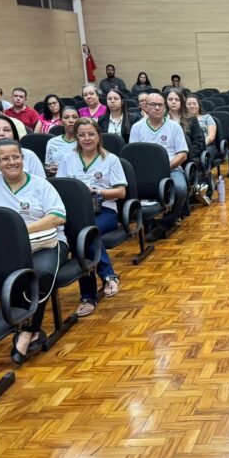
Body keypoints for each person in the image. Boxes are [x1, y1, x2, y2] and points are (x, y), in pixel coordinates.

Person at [0, 138, 66, 362]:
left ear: (22, 158)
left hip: (47, 242)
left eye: (16, 157)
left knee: (41, 275)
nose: (12, 162)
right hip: (9, 247)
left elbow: (58, 216)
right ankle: (21, 324)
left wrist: (23, 229)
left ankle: (28, 331)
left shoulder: (40, 184)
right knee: (5, 274)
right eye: (5, 159)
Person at [56, 119, 125, 316]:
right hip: (77, 214)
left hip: (105, 211)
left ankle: (88, 295)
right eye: (82, 135)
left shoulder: (110, 159)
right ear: (76, 137)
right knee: (82, 235)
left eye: (91, 134)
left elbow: (121, 192)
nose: (87, 138)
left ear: (98, 136)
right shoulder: (68, 159)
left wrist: (97, 190)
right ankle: (108, 276)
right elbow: (62, 188)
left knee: (83, 236)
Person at [129, 91, 189, 231]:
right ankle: (146, 221)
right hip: (145, 172)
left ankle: (167, 222)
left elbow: (182, 154)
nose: (157, 108)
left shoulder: (174, 127)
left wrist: (165, 168)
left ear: (164, 107)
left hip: (172, 168)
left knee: (180, 188)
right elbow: (134, 155)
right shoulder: (137, 127)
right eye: (153, 105)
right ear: (145, 107)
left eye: (160, 105)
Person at [45, 106, 80, 175]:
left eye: (75, 117)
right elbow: (47, 165)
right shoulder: (52, 142)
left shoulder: (85, 141)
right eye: (66, 117)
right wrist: (49, 169)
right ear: (61, 121)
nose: (71, 120)